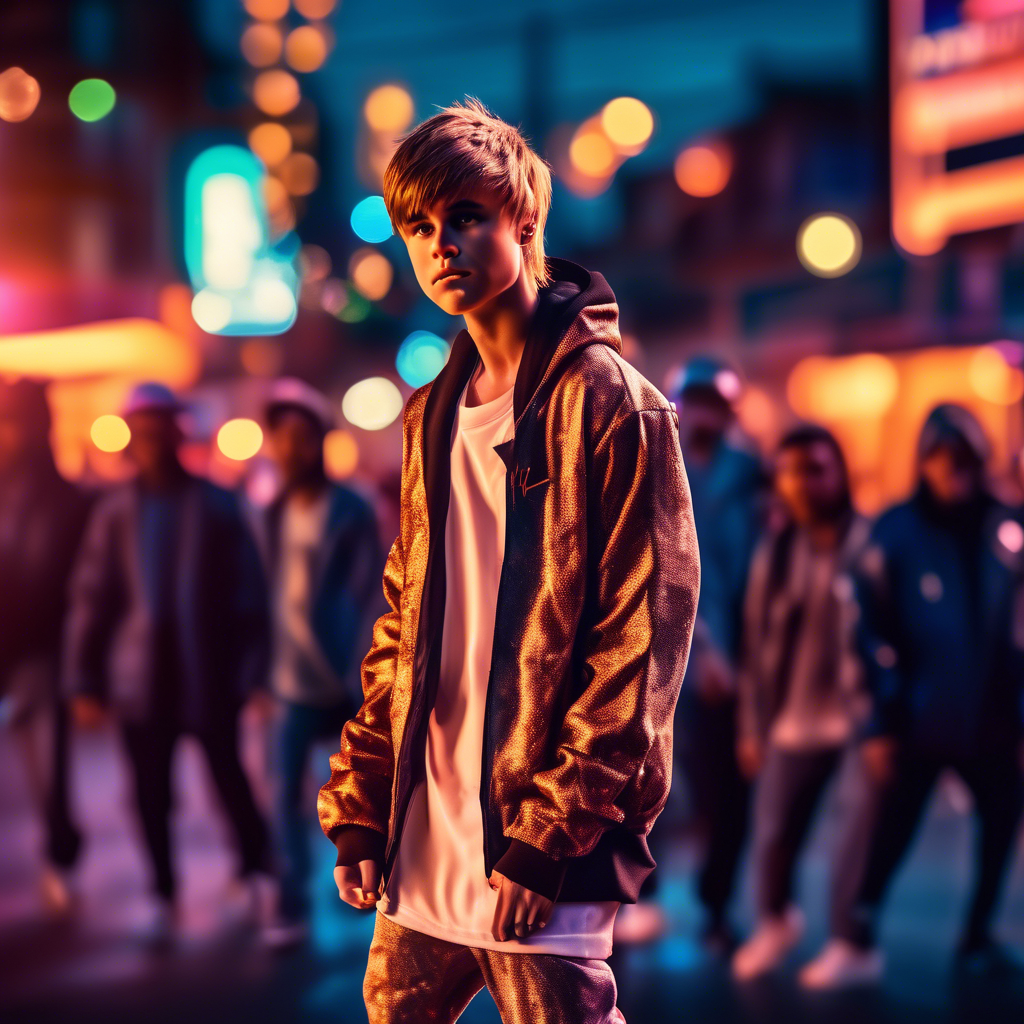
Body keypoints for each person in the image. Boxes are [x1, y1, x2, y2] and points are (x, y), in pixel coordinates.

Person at [317, 99, 699, 1024]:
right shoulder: (431, 414)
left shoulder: (615, 402)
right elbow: (404, 623)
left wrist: (549, 834)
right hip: (426, 826)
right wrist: (365, 800)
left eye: (465, 217)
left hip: (537, 836)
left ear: (523, 222)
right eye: (420, 226)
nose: (441, 243)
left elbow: (641, 640)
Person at [800, 404, 1024, 988]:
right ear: (923, 462)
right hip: (918, 718)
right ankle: (857, 936)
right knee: (889, 832)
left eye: (966, 459)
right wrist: (878, 722)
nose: (955, 471)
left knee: (1001, 823)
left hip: (993, 720)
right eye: (942, 459)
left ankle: (978, 935)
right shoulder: (896, 531)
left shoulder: (1006, 528)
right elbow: (865, 633)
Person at [64, 382, 272, 933]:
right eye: (142, 428)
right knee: (149, 791)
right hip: (139, 680)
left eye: (160, 426)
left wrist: (252, 674)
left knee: (228, 776)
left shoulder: (217, 503)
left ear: (177, 432)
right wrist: (82, 678)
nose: (151, 438)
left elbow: (249, 593)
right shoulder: (114, 512)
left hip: (210, 675)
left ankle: (253, 869)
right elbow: (92, 596)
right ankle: (163, 888)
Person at [730, 425, 870, 980]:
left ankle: (852, 942)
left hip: (858, 722)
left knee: (852, 841)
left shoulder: (870, 542)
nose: (802, 483)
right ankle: (776, 921)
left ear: (839, 472)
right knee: (771, 834)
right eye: (789, 471)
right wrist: (750, 726)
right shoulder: (778, 551)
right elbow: (756, 643)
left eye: (814, 468)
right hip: (791, 721)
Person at [259, 378, 385, 946]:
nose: (292, 448)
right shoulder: (269, 511)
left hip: (345, 678)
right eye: (282, 437)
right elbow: (256, 595)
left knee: (360, 790)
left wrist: (366, 672)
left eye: (303, 436)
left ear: (322, 441)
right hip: (288, 682)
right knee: (283, 794)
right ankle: (288, 902)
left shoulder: (352, 507)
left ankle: (369, 884)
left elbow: (371, 595)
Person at [665, 356, 763, 952]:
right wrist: (703, 646)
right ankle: (635, 898)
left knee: (731, 793)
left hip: (741, 661)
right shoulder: (652, 461)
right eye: (693, 402)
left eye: (714, 405)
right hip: (667, 652)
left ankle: (716, 904)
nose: (703, 415)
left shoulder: (755, 476)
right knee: (642, 783)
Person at [0, 379, 91, 913]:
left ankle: (60, 852)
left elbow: (73, 580)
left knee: (46, 757)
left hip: (44, 645)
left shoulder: (61, 497)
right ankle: (60, 849)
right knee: (38, 755)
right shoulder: (18, 489)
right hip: (19, 645)